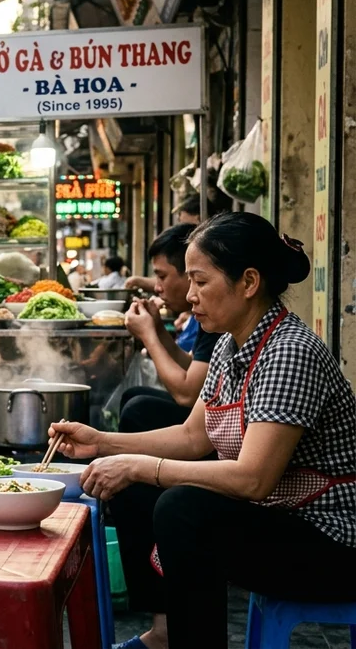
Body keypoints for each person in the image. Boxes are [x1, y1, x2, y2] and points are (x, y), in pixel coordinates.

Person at [50, 212, 356, 649]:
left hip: (331, 541)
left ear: (248, 282)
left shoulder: (289, 351)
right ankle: (166, 633)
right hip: (281, 518)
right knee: (140, 485)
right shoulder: (233, 343)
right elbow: (194, 437)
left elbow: (253, 479)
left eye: (200, 281)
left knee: (184, 510)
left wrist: (139, 466)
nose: (190, 295)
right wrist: (102, 443)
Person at [119, 223, 219, 435]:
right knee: (133, 397)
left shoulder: (220, 317)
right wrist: (157, 329)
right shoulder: (211, 318)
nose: (156, 287)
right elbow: (192, 368)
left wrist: (148, 336)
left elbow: (188, 395)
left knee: (138, 409)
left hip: (215, 428)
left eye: (200, 281)